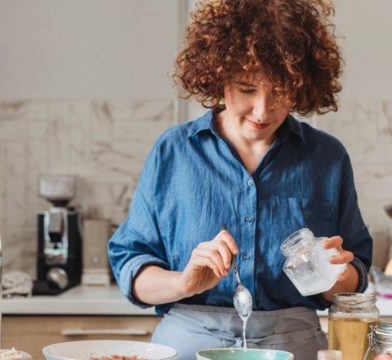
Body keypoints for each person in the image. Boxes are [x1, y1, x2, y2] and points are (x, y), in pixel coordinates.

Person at [108, 0, 373, 358]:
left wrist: (336, 277)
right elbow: (131, 264)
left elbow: (355, 274)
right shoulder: (174, 151)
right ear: (218, 76)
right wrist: (182, 281)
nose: (263, 111)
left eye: (280, 91)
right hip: (187, 341)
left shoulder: (327, 157)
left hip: (294, 344)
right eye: (247, 88)